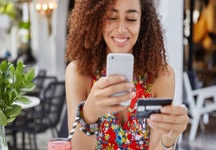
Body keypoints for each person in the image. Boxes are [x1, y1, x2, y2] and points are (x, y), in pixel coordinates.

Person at [65, 0, 189, 149]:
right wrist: (89, 114)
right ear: (97, 19)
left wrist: (170, 136)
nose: (121, 29)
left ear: (142, 22)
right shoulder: (78, 73)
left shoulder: (162, 75)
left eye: (131, 19)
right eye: (111, 17)